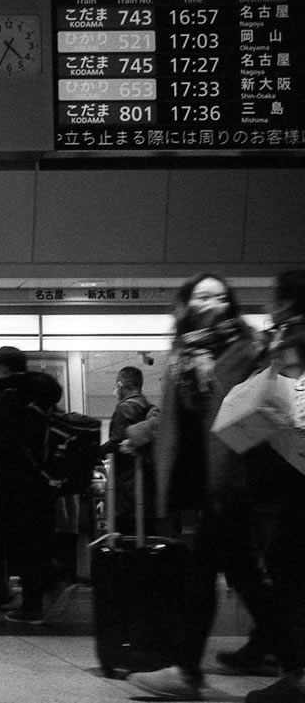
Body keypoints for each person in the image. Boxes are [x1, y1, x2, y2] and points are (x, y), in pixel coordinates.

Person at [125, 273, 287, 700]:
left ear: (230, 303)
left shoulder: (249, 348)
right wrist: (150, 435)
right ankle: (289, 659)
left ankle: (188, 670)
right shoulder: (183, 352)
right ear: (187, 303)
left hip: (237, 476)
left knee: (203, 573)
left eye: (219, 295)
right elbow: (182, 418)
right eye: (201, 294)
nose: (211, 300)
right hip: (203, 477)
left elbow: (261, 405)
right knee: (244, 574)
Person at [231, 270, 305, 703]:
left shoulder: (291, 331)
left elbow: (283, 384)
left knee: (288, 564)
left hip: (294, 465)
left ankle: (296, 675)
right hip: (290, 465)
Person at [0, 347, 64, 625]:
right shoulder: (46, 393)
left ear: (1, 367)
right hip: (45, 478)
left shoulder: (7, 395)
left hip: (14, 480)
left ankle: (33, 603)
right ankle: (47, 583)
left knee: (16, 540)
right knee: (38, 537)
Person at [99, 366, 156, 535]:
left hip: (127, 490)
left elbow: (116, 444)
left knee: (126, 538)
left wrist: (94, 453)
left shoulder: (124, 408)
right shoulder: (148, 407)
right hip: (146, 487)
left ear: (120, 384)